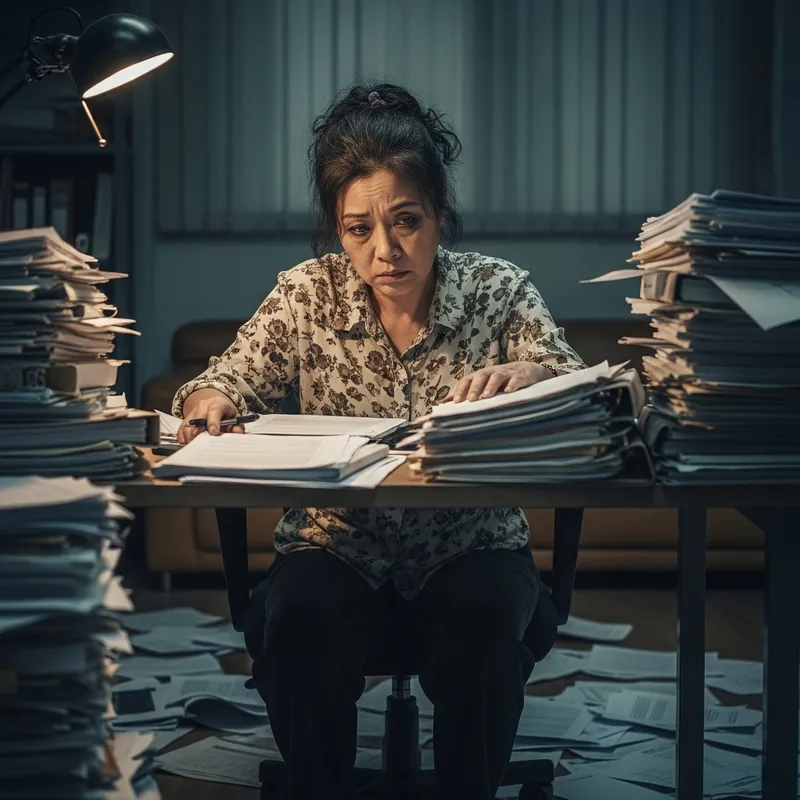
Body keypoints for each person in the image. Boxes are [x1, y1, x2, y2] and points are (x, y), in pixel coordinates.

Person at [173, 83, 585, 800]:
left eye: (407, 222)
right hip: (336, 547)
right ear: (337, 230)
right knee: (299, 627)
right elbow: (223, 382)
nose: (385, 251)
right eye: (358, 229)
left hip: (472, 545)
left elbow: (582, 387)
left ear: (440, 214)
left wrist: (535, 373)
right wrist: (211, 400)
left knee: (485, 630)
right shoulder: (306, 295)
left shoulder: (497, 290)